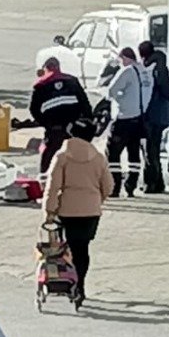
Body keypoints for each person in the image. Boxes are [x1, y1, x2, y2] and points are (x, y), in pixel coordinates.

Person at [44, 118, 112, 308]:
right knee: (83, 249)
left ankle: (71, 284)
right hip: (91, 211)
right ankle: (80, 285)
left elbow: (52, 186)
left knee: (69, 248)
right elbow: (108, 186)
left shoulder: (62, 156)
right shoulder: (98, 157)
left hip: (68, 210)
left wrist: (49, 211)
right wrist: (97, 200)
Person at [20, 57, 93, 175]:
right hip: (73, 125)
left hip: (54, 127)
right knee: (77, 154)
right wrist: (87, 119)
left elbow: (34, 109)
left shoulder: (40, 85)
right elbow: (84, 102)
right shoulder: (72, 80)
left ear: (45, 69)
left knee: (49, 156)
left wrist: (45, 123)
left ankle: (44, 179)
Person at [105, 46, 150, 198]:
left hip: (124, 118)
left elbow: (111, 90)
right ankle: (131, 185)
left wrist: (119, 99)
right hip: (139, 118)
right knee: (134, 153)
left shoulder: (127, 71)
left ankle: (114, 186)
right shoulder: (144, 72)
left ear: (124, 57)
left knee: (113, 153)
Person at [138, 40, 169, 194]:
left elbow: (166, 90)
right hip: (160, 115)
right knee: (153, 150)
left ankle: (151, 183)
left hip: (151, 114)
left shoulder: (150, 69)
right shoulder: (160, 66)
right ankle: (158, 183)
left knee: (149, 150)